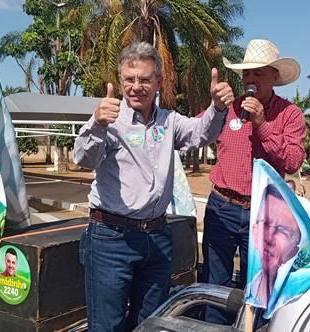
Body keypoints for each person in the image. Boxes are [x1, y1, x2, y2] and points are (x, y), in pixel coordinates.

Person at [73, 41, 232, 332]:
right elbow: (84, 158)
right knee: (107, 326)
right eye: (129, 80)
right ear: (120, 81)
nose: (136, 87)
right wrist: (96, 124)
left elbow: (202, 134)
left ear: (158, 82)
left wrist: (217, 108)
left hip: (156, 238)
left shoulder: (168, 121)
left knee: (151, 324)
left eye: (145, 79)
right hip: (111, 238)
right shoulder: (109, 117)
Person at [201, 39, 306, 324]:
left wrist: (263, 124)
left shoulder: (290, 114)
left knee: (260, 287)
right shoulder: (228, 110)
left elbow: (294, 160)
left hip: (265, 213)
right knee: (214, 283)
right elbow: (194, 133)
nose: (250, 79)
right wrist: (214, 107)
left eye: (258, 73)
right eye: (246, 74)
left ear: (274, 76)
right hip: (221, 207)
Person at [247, 186, 301, 308]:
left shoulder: (294, 303)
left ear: (294, 249)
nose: (269, 238)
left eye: (282, 230)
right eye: (265, 224)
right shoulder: (249, 291)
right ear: (254, 231)